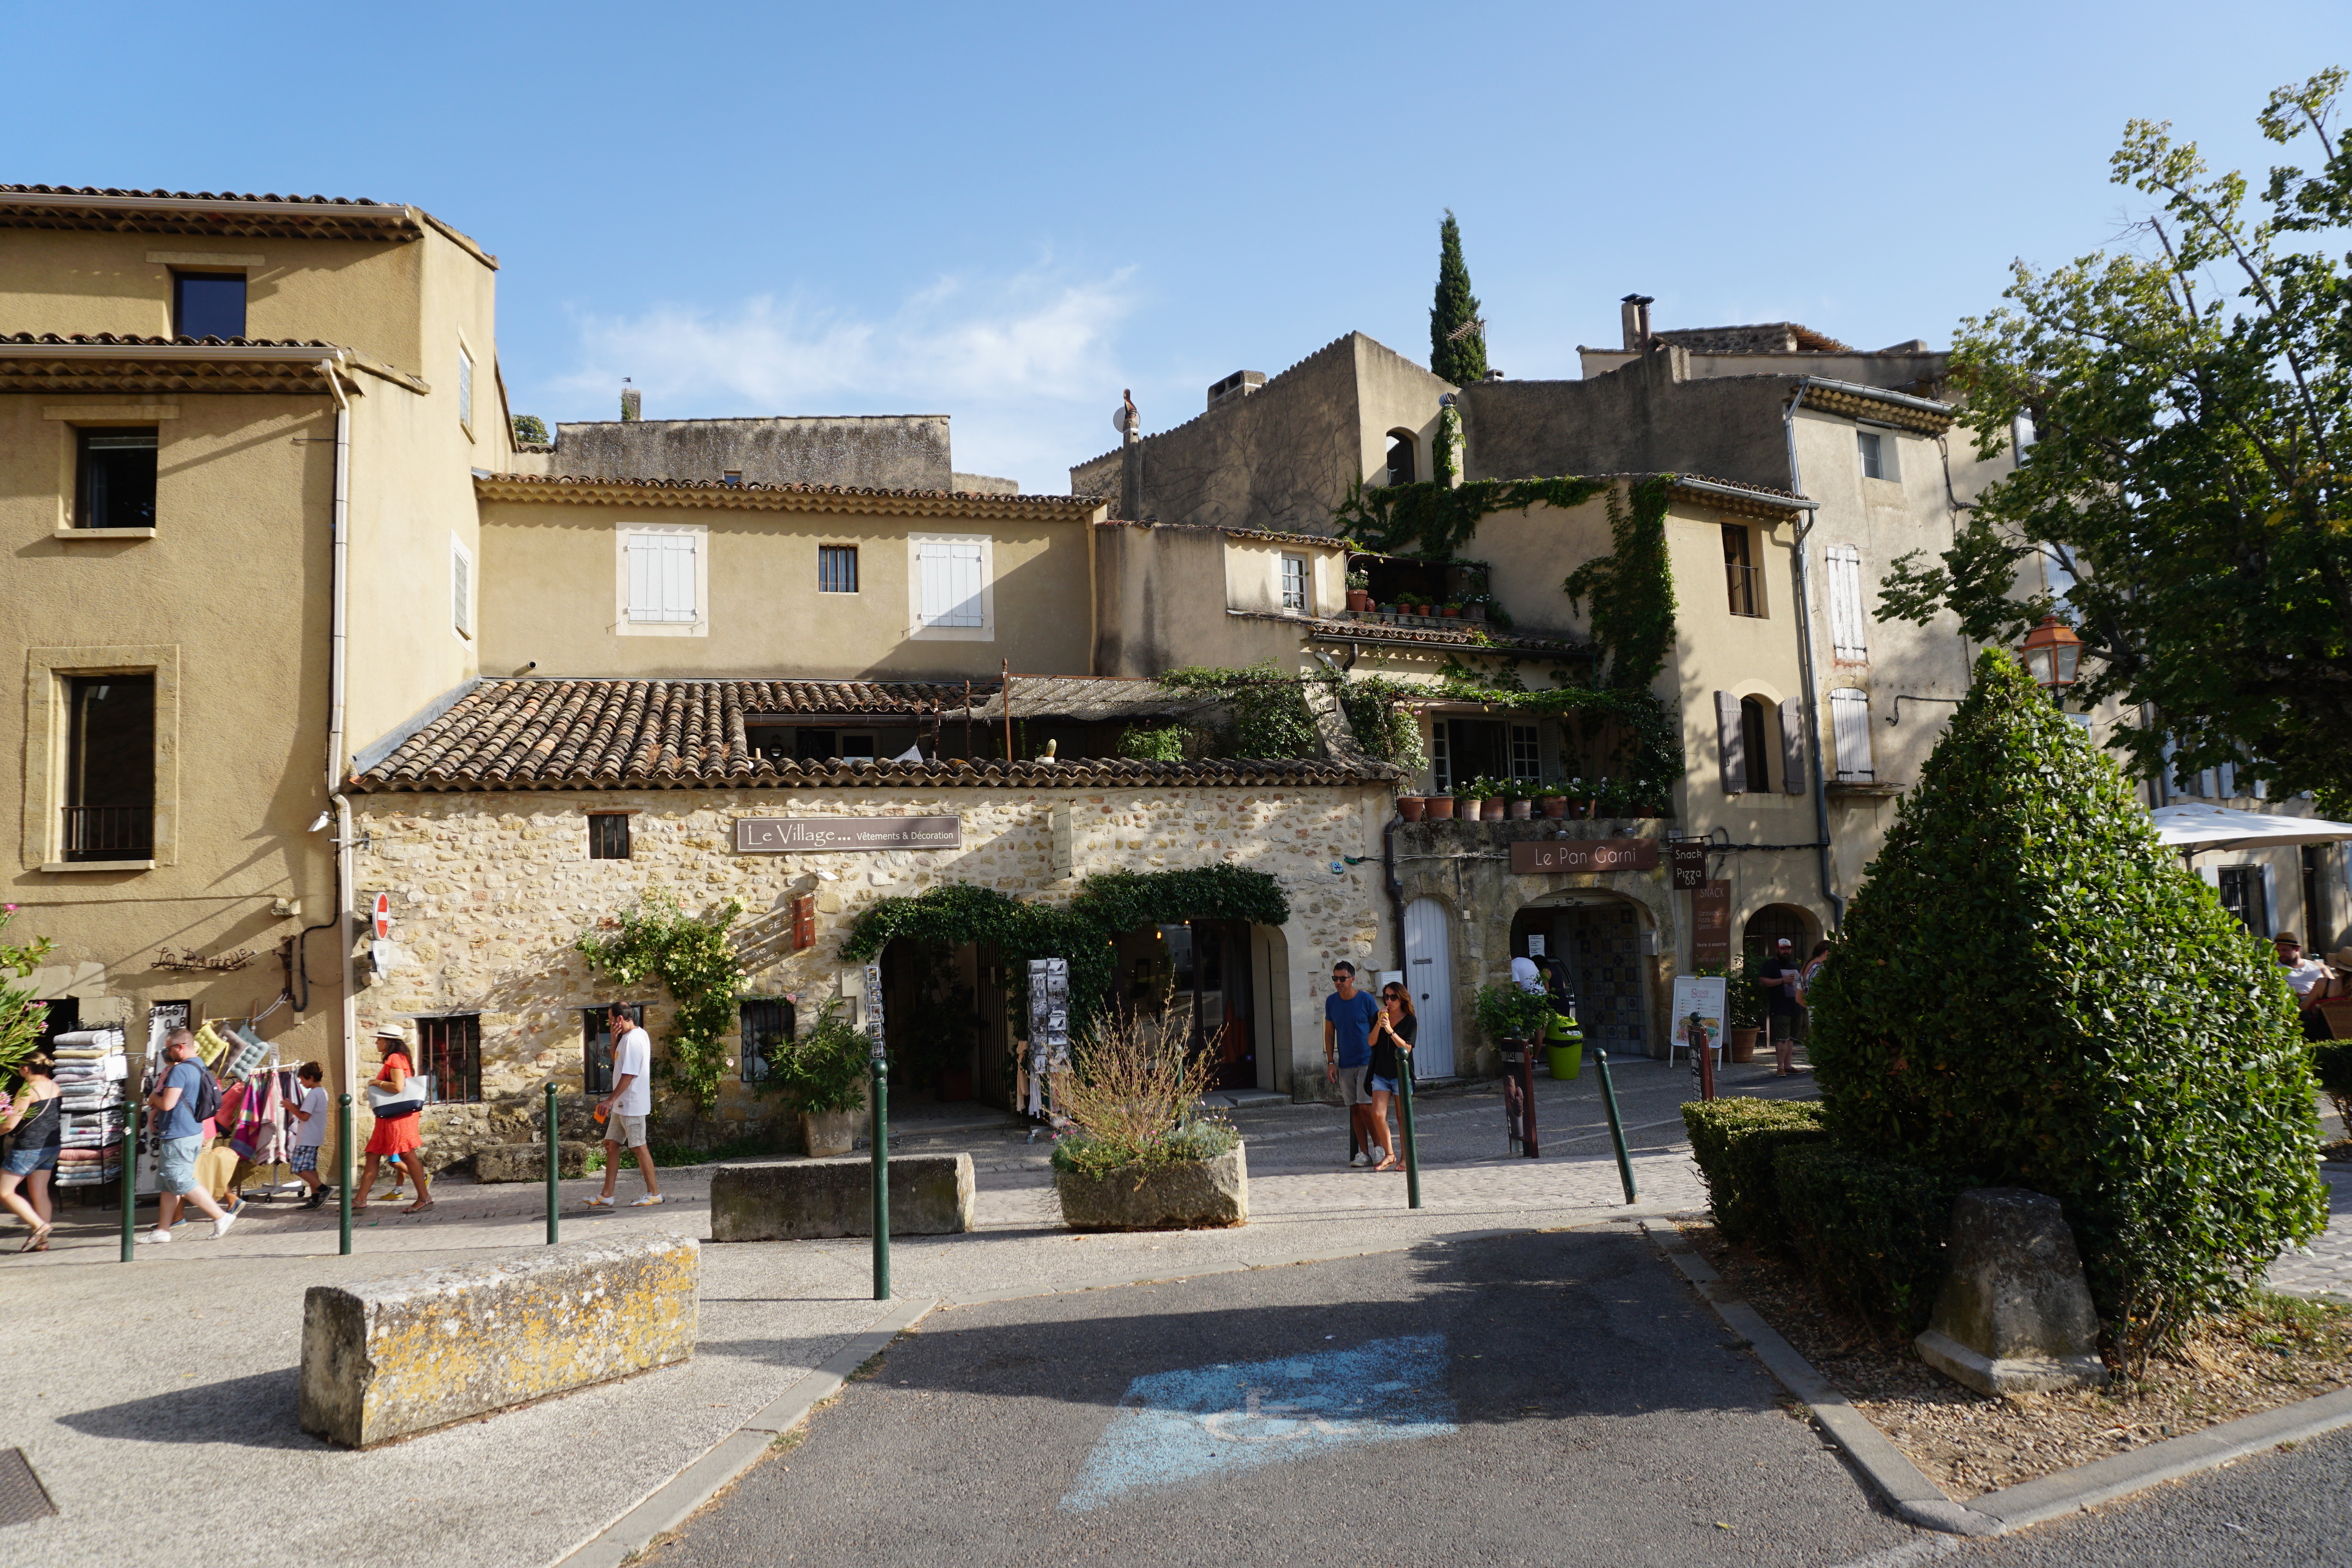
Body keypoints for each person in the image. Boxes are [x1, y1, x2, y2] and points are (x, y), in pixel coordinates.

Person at [143, 1028, 236, 1243]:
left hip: (178, 1133)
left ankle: (220, 1216)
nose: (167, 1053)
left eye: (169, 1049)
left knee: (180, 1180)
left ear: (180, 1047)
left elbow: (167, 1103)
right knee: (169, 1184)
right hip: (193, 1132)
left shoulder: (180, 1071)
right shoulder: (200, 1066)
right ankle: (162, 1230)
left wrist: (154, 1098)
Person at [588, 1003, 663, 1207]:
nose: (610, 1023)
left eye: (611, 1019)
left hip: (632, 1104)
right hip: (623, 1105)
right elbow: (617, 1063)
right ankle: (607, 1194)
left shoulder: (634, 1040)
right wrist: (614, 1039)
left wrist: (610, 1100)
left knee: (639, 1147)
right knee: (612, 1145)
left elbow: (629, 1074)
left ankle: (654, 1193)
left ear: (620, 1019)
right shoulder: (627, 1038)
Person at [354, 1026, 433, 1215]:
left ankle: (424, 1198)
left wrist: (376, 1082)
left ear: (389, 1042)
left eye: (379, 1039)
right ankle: (360, 1200)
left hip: (399, 1118)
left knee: (406, 1155)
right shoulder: (399, 1058)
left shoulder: (395, 1058)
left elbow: (398, 1087)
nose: (376, 1042)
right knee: (373, 1155)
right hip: (388, 1117)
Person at [1, 1050, 63, 1251]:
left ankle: (39, 1225)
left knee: (4, 1192)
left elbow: (11, 1124)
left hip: (29, 1147)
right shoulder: (55, 1086)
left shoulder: (28, 1090)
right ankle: (42, 1241)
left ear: (25, 1068)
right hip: (51, 1145)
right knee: (40, 1192)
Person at [1323, 962, 1384, 1168]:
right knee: (1354, 1109)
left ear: (1352, 979)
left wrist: (1378, 1056)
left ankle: (1379, 1148)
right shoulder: (1331, 1002)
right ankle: (1363, 1153)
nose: (1338, 983)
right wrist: (1331, 1062)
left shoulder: (1366, 1000)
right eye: (1335, 979)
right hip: (1345, 1063)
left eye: (1342, 979)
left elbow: (1378, 1026)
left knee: (1366, 1107)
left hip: (1366, 1061)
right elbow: (1330, 1032)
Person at [1367, 984, 1418, 1173]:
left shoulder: (1410, 1020)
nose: (1389, 1001)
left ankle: (1406, 1157)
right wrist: (1380, 1025)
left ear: (1402, 998)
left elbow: (1407, 1048)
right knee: (1378, 1114)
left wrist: (1390, 1030)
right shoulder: (1380, 1017)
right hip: (1381, 1073)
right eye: (1386, 997)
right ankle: (1390, 1154)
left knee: (1402, 1117)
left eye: (1393, 997)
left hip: (1401, 1075)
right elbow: (1371, 1042)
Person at [1757, 937, 1806, 1077]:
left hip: (1796, 1006)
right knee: (1782, 1038)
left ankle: (1789, 1066)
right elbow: (1762, 981)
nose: (1786, 951)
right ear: (1777, 949)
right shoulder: (1770, 965)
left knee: (1791, 1038)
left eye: (1788, 949)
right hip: (1780, 1006)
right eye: (1783, 949)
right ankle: (1780, 1067)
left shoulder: (1794, 965)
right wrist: (1782, 980)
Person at [289, 1061, 332, 1209]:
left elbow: (304, 1116)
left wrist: (290, 1108)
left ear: (311, 1078)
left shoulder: (313, 1094)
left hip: (307, 1137)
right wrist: (296, 1107)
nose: (301, 1082)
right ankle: (315, 1199)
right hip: (314, 1135)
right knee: (310, 1168)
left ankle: (324, 1190)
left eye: (302, 1079)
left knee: (298, 1167)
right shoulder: (322, 1092)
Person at [2276, 935, 2331, 1041]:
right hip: (2296, 1006)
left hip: (2322, 1004)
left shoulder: (2317, 966)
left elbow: (2335, 987)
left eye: (2285, 950)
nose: (2280, 954)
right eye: (2277, 950)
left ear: (2297, 949)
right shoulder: (2274, 968)